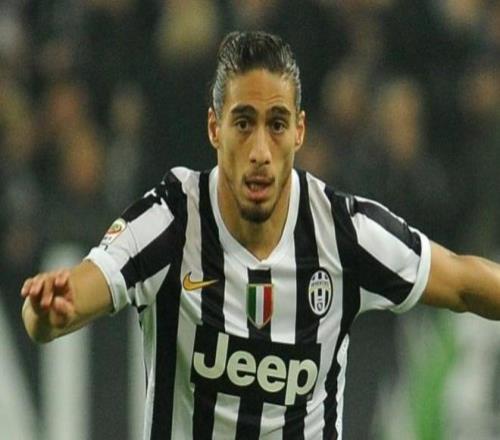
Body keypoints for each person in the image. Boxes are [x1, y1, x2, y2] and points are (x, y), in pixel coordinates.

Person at [21, 31, 500, 440]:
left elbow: (463, 282)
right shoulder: (172, 219)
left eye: (276, 125)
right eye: (244, 123)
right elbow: (69, 299)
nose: (260, 151)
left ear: (299, 132)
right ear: (215, 128)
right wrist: (47, 311)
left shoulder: (341, 232)